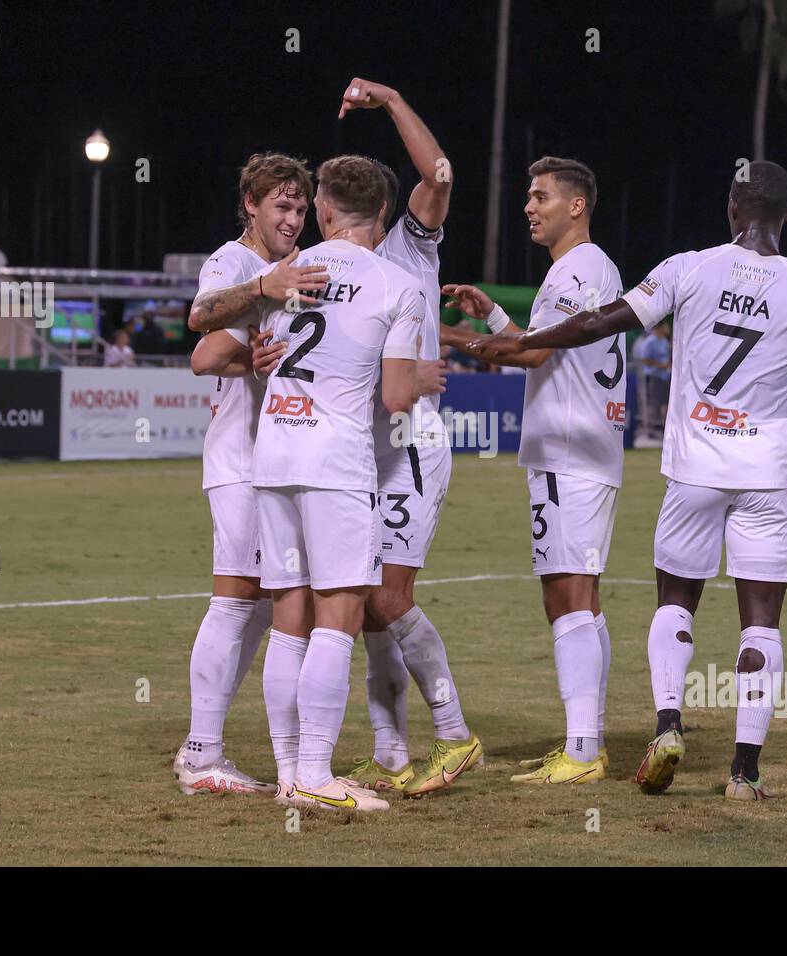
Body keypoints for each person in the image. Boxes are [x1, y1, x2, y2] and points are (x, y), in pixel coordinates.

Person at [467, 160, 787, 802]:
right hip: (768, 476)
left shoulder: (688, 267)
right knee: (761, 624)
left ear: (732, 208)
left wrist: (520, 344)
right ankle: (743, 772)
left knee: (676, 604)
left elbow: (601, 322)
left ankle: (669, 727)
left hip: (696, 471)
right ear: (786, 216)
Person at [250, 154, 423, 812]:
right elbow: (399, 396)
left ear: (322, 209)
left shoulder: (284, 273)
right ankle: (318, 775)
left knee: (290, 615)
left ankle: (289, 772)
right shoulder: (396, 284)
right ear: (382, 213)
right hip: (336, 461)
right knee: (341, 612)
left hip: (275, 454)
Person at [448, 156, 624, 785]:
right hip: (590, 448)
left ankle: (581, 751)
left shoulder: (574, 269)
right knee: (583, 596)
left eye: (540, 196)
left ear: (576, 205)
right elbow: (542, 346)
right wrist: (492, 319)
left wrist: (442, 334)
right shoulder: (592, 268)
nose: (529, 206)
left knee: (566, 594)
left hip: (567, 453)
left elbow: (534, 354)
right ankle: (587, 740)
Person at [332, 78, 482, 797]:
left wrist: (390, 99)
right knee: (365, 603)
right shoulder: (337, 273)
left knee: (388, 599)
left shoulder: (407, 250)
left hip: (410, 448)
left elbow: (440, 173)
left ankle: (454, 735)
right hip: (363, 452)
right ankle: (389, 752)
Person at [171, 152, 317, 798]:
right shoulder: (234, 264)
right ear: (251, 205)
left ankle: (206, 736)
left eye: (300, 206)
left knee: (259, 607)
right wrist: (258, 306)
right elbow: (202, 343)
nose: (292, 217)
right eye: (280, 205)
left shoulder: (291, 268)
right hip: (239, 457)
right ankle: (201, 753)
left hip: (275, 459)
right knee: (235, 600)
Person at [633, 322, 672, 435]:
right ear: (660, 327)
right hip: (653, 376)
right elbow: (645, 360)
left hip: (664, 376)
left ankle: (664, 428)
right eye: (665, 326)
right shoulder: (650, 342)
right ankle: (649, 429)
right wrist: (660, 365)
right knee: (652, 403)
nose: (667, 327)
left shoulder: (664, 341)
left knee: (665, 402)